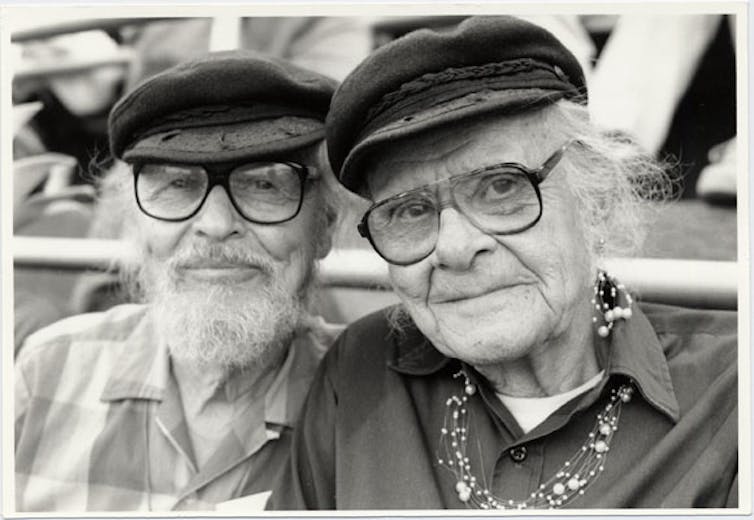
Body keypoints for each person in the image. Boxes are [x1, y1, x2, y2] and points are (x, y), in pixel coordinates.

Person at [269, 16, 738, 510]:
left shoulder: (731, 391)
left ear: (596, 196)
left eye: (501, 187)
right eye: (410, 210)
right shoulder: (359, 372)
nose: (453, 248)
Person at [15, 50, 343, 512]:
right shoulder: (46, 369)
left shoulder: (373, 398)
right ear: (134, 224)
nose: (214, 223)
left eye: (264, 185)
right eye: (177, 184)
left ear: (324, 226)